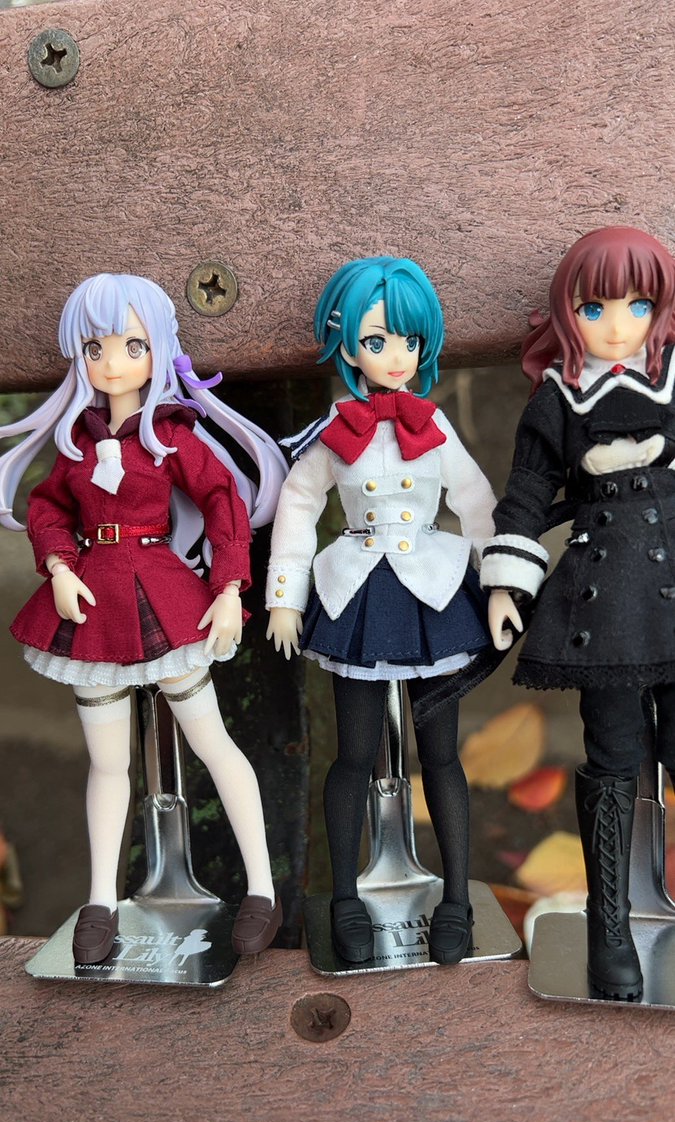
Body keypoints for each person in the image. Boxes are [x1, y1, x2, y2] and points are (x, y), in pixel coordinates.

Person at [1, 273, 288, 964]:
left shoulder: (171, 437)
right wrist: (59, 565)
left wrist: (228, 586)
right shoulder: (75, 442)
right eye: (95, 347)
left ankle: (262, 888)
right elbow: (47, 507)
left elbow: (222, 502)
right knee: (107, 763)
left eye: (133, 346)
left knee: (213, 742)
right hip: (91, 605)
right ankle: (100, 899)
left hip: (164, 595)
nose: (112, 362)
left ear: (159, 350)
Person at [266, 256, 498, 965]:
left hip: (431, 590)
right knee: (354, 754)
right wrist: (285, 596)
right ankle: (345, 897)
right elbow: (298, 505)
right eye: (376, 341)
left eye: (409, 341)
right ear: (346, 344)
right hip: (359, 592)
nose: (396, 356)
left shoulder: (434, 425)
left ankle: (456, 899)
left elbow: (476, 502)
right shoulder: (333, 431)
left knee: (442, 754)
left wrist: (499, 584)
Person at [482, 226, 675, 1000]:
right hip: (606, 599)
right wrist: (506, 581)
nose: (618, 325)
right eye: (595, 308)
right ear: (568, 314)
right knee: (614, 753)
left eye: (637, 305)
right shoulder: (558, 398)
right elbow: (528, 491)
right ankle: (609, 926)